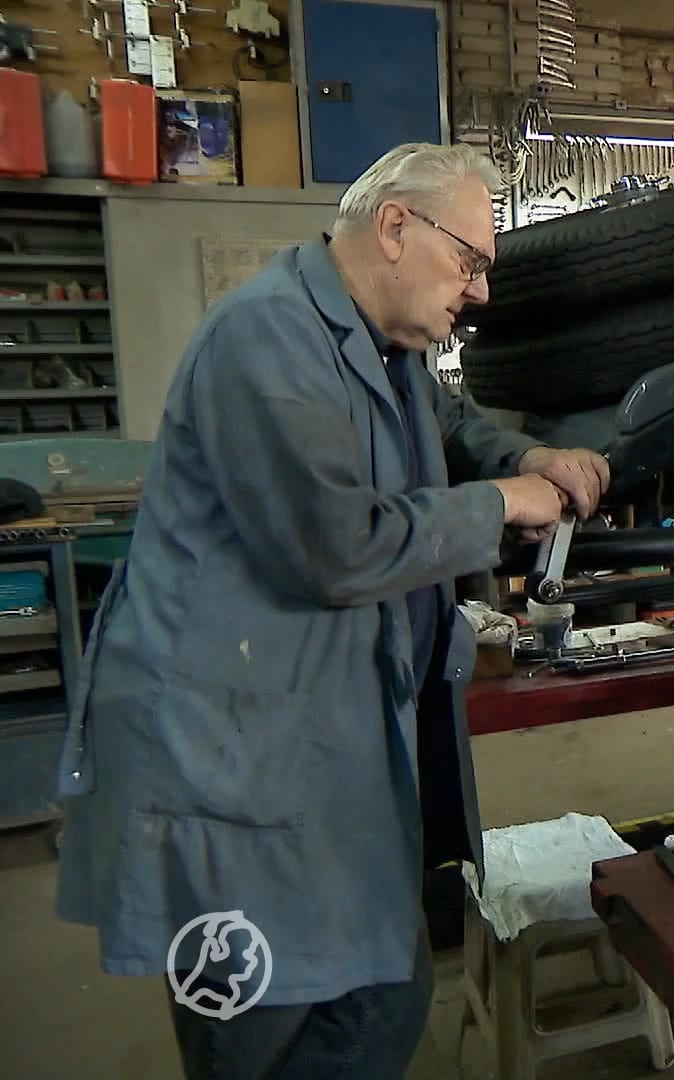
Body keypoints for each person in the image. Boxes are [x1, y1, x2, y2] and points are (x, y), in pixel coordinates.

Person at [51, 142, 611, 1079]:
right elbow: (336, 546)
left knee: (384, 1000)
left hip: (316, 747)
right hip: (220, 770)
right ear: (396, 226)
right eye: (469, 260)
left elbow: (451, 422)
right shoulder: (265, 342)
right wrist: (503, 505)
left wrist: (526, 457)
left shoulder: (378, 346)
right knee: (254, 1030)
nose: (478, 290)